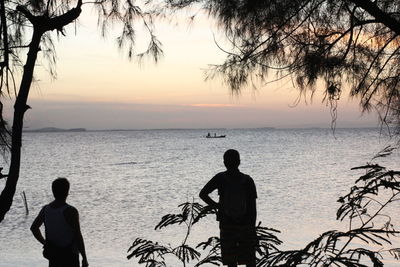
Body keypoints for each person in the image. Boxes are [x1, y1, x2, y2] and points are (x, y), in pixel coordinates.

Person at [199, 149, 257, 267]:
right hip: (245, 226)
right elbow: (252, 208)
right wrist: (252, 229)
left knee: (231, 261)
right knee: (249, 260)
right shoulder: (248, 180)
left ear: (224, 162)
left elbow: (203, 194)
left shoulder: (220, 178)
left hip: (227, 225)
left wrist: (216, 206)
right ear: (239, 162)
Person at [31, 178, 89, 267]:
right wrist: (84, 258)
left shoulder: (46, 209)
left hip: (53, 254)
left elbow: (34, 228)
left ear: (53, 192)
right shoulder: (70, 211)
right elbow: (78, 235)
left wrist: (45, 243)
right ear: (67, 192)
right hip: (70, 255)